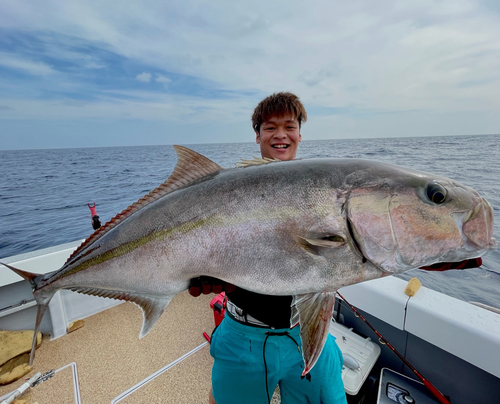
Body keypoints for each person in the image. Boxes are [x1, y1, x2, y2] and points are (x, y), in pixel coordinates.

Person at [190, 92, 348, 404]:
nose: (280, 135)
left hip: (307, 331)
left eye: (289, 126)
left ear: (300, 134)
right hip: (243, 335)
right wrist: (203, 273)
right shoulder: (232, 190)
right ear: (258, 136)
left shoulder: (322, 187)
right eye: (269, 128)